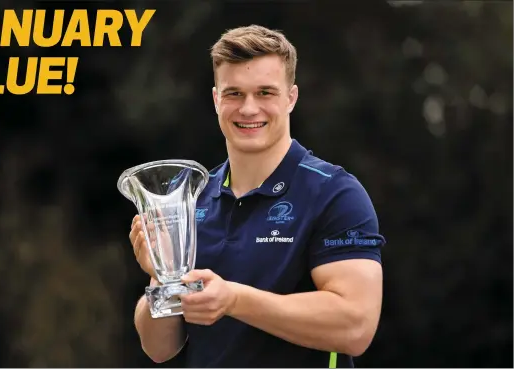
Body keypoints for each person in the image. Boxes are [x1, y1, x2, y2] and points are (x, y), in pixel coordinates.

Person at [130, 25, 386, 368]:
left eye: (265, 92)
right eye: (234, 93)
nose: (249, 109)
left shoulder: (335, 193)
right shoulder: (191, 197)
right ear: (216, 99)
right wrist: (164, 279)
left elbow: (356, 326)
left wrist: (234, 300)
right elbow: (159, 348)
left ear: (291, 98)